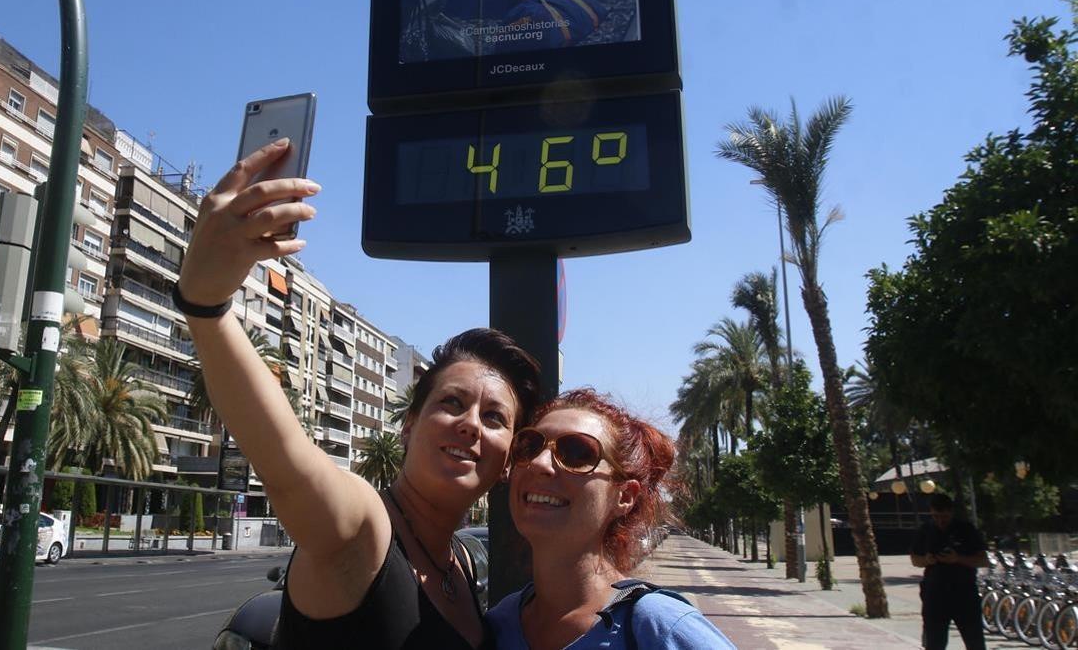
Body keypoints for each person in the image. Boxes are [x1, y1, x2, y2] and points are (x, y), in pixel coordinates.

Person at [177, 140, 542, 648]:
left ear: (507, 462)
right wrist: (206, 306)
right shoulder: (363, 530)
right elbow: (289, 467)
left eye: (495, 418)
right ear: (409, 424)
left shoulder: (458, 563)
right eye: (452, 403)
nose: (470, 424)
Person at [485, 388, 735, 649]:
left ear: (625, 496)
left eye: (577, 453)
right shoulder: (498, 624)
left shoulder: (659, 627)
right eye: (529, 447)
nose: (539, 463)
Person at [910, 494, 987, 650]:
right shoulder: (926, 530)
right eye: (936, 516)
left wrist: (958, 559)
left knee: (975, 642)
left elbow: (982, 560)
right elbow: (914, 559)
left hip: (964, 594)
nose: (940, 520)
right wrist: (927, 560)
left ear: (951, 512)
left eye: (944, 516)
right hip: (935, 595)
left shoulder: (966, 529)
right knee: (934, 643)